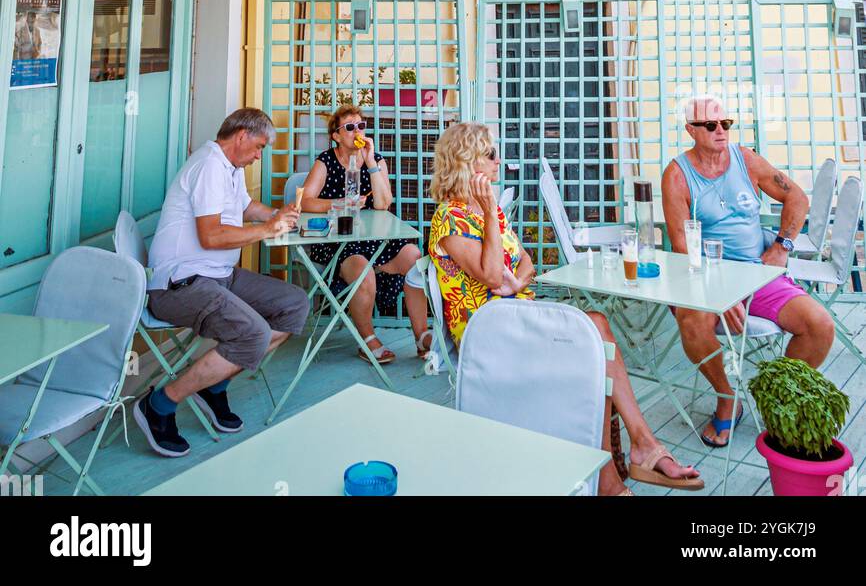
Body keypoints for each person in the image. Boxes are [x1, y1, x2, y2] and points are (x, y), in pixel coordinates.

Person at [429, 123, 703, 496]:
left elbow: (525, 262)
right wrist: (493, 223)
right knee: (593, 340)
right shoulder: (450, 218)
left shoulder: (484, 210)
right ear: (465, 162)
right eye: (490, 155)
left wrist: (516, 282)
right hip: (488, 336)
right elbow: (493, 274)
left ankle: (633, 456)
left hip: (518, 318)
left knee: (597, 329)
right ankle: (627, 464)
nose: (498, 161)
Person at [662, 94, 835, 449]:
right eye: (710, 125)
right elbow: (682, 247)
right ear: (690, 130)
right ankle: (727, 397)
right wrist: (717, 294)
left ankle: (776, 399)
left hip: (760, 274)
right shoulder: (677, 175)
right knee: (692, 321)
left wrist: (781, 246)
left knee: (820, 325)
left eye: (726, 123)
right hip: (707, 277)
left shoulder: (746, 160)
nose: (721, 131)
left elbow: (797, 198)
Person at [134, 108, 310, 457]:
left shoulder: (230, 167)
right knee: (254, 333)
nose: (260, 155)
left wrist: (276, 215)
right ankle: (160, 404)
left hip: (218, 277)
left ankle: (214, 383)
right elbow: (211, 237)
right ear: (241, 135)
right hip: (179, 285)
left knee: (294, 304)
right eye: (259, 146)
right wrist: (265, 231)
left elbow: (244, 206)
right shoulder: (209, 166)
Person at [301, 103, 430, 364]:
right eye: (350, 127)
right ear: (336, 135)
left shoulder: (376, 160)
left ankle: (421, 336)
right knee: (363, 272)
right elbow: (305, 202)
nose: (357, 131)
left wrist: (370, 161)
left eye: (361, 126)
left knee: (415, 258)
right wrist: (338, 204)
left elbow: (383, 203)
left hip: (375, 238)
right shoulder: (326, 161)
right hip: (340, 240)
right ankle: (367, 338)